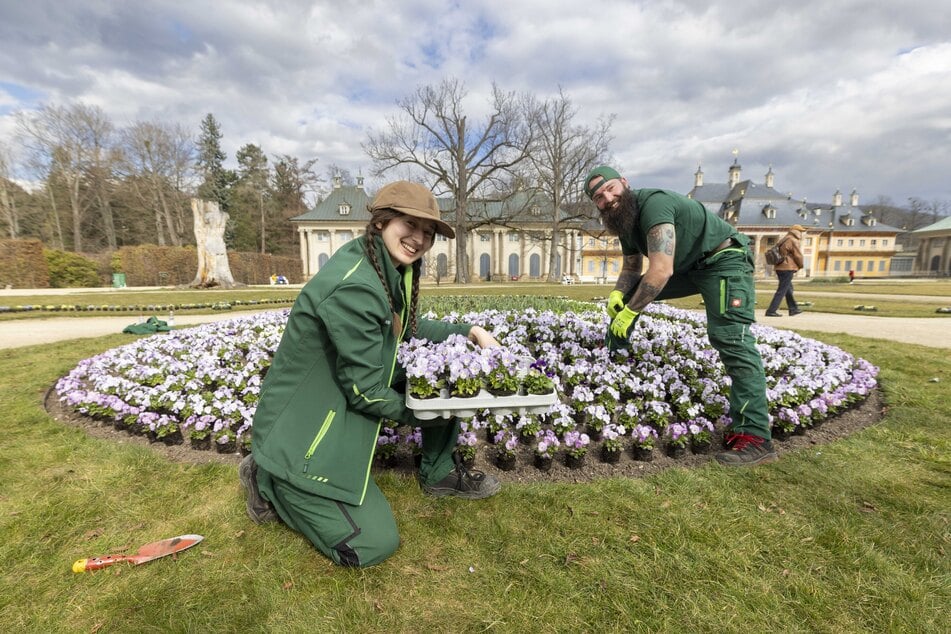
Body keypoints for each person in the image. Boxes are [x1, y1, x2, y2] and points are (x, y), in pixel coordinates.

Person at [240, 180, 502, 568]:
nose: (419, 239)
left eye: (428, 231)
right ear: (381, 221)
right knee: (370, 545)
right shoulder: (356, 286)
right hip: (305, 430)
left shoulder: (387, 266)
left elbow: (404, 330)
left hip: (334, 398)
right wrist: (435, 408)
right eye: (409, 224)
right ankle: (269, 479)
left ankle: (440, 473)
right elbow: (366, 392)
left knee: (444, 373)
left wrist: (470, 332)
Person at [583, 165, 776, 467]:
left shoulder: (654, 205)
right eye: (599, 197)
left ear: (624, 182)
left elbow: (661, 270)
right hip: (690, 267)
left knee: (730, 337)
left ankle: (755, 437)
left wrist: (631, 310)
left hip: (723, 259)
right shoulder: (624, 220)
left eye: (610, 188)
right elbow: (632, 268)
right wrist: (619, 295)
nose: (607, 198)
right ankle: (613, 357)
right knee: (630, 297)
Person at [764, 225, 805, 317]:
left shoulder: (784, 239)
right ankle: (771, 310)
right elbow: (798, 255)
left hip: (779, 267)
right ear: (796, 231)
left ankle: (793, 309)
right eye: (800, 231)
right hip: (787, 267)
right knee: (782, 290)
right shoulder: (793, 240)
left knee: (788, 289)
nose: (801, 233)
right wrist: (801, 265)